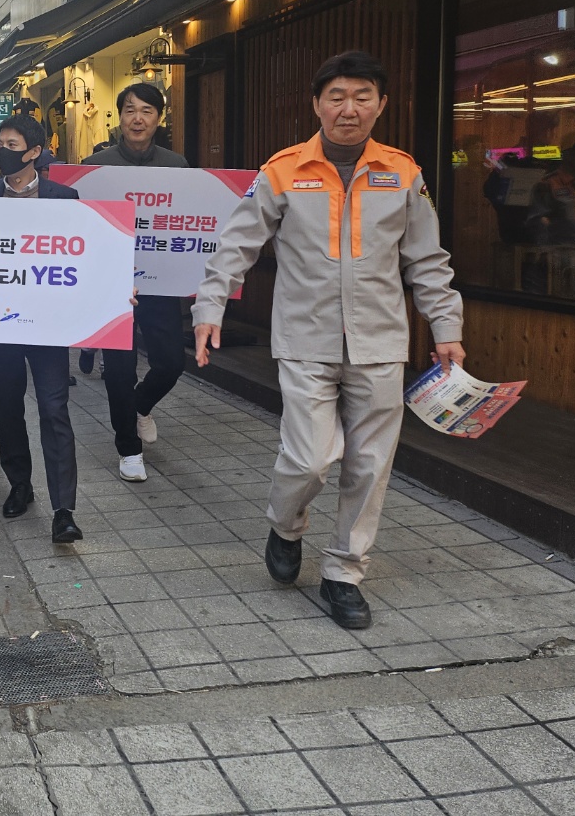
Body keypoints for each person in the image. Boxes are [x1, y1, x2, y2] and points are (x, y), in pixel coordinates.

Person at [192, 51, 464, 630]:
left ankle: (344, 572)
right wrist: (209, 307)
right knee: (311, 459)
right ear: (316, 105)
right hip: (305, 341)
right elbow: (236, 245)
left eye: (362, 96)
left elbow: (428, 261)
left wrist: (446, 329)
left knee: (369, 465)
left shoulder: (403, 172)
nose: (349, 108)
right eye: (336, 96)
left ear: (380, 105)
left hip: (381, 343)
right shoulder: (284, 169)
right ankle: (286, 523)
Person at [0, 114, 83, 544]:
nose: (4, 151)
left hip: (49, 325)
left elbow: (85, 258)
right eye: (0, 143)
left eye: (12, 144)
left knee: (55, 408)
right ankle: (20, 483)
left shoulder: (65, 199)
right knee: (8, 404)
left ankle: (64, 509)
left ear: (34, 152)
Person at [81, 82, 190, 482]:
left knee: (172, 362)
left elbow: (191, 219)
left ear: (159, 119)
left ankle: (140, 406)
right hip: (113, 286)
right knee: (119, 370)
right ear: (120, 117)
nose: (138, 118)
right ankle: (128, 447)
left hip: (160, 285)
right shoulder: (97, 167)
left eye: (147, 110)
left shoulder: (177, 165)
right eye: (130, 110)